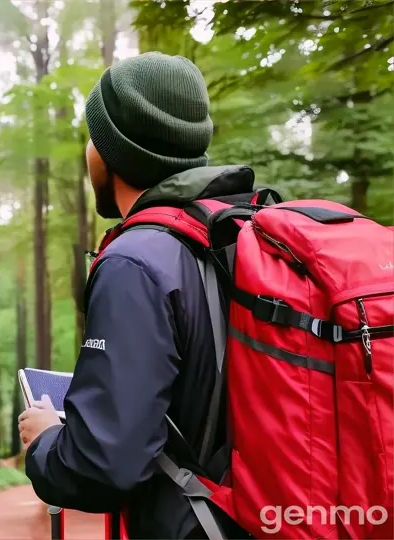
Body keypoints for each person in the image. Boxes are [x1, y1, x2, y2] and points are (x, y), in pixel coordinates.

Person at [18, 52, 251, 539]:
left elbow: (102, 465)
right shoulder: (239, 233)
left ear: (111, 152)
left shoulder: (134, 262)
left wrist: (45, 443)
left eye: (93, 137)